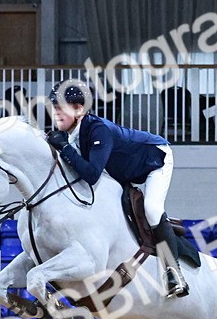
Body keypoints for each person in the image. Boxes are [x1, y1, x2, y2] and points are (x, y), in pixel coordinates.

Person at [45, 81, 189, 298]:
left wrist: (64, 148)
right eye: (54, 107)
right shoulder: (71, 133)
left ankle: (173, 273)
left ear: (79, 109)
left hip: (154, 159)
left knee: (151, 208)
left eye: (61, 108)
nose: (56, 113)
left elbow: (92, 175)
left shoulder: (98, 129)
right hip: (121, 170)